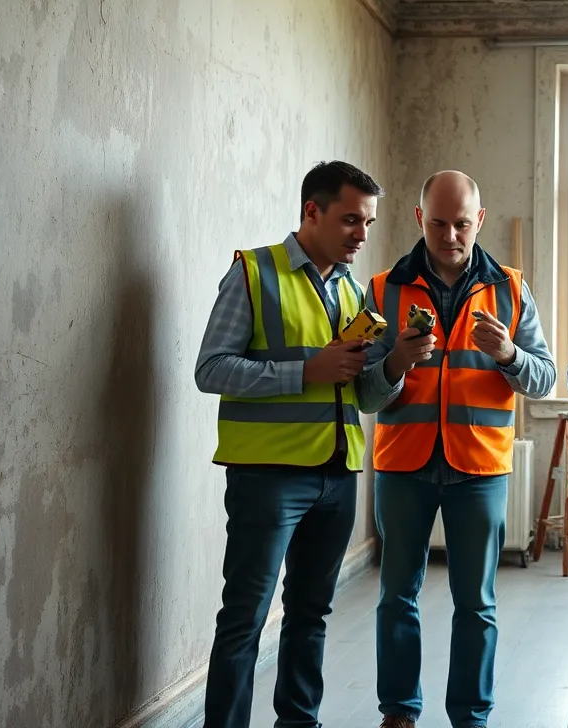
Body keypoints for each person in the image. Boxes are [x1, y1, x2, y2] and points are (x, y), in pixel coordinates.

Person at [194, 160, 391, 727]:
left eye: (369, 223)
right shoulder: (254, 274)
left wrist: (396, 361)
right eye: (352, 219)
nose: (361, 233)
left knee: (311, 614)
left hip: (337, 474)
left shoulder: (353, 292)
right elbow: (211, 369)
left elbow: (366, 396)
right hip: (268, 477)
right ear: (312, 211)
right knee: (246, 618)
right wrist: (307, 371)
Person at [357, 170, 557, 728]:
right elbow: (365, 395)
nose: (450, 235)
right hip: (402, 466)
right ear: (420, 218)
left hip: (480, 470)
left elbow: (544, 379)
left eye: (462, 224)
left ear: (480, 221)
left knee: (477, 604)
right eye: (439, 223)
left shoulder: (512, 289)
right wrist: (396, 362)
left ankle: (470, 717)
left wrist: (511, 354)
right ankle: (398, 712)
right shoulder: (380, 291)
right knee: (397, 597)